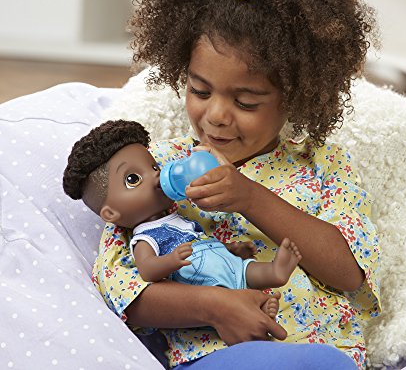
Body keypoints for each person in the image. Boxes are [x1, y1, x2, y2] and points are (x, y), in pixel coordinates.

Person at [89, 0, 381, 369]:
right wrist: (214, 306)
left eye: (246, 101)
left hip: (319, 354)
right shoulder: (153, 170)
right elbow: (123, 287)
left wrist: (250, 198)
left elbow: (349, 273)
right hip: (213, 356)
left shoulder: (323, 168)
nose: (217, 116)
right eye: (200, 91)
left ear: (295, 97)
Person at [63, 119, 302, 320]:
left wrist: (231, 249)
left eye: (154, 167)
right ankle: (257, 308)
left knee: (246, 270)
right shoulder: (145, 237)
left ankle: (275, 272)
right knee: (233, 295)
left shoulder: (179, 216)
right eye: (133, 179)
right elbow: (147, 270)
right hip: (200, 279)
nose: (156, 177)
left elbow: (202, 240)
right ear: (111, 214)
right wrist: (171, 260)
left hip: (217, 259)